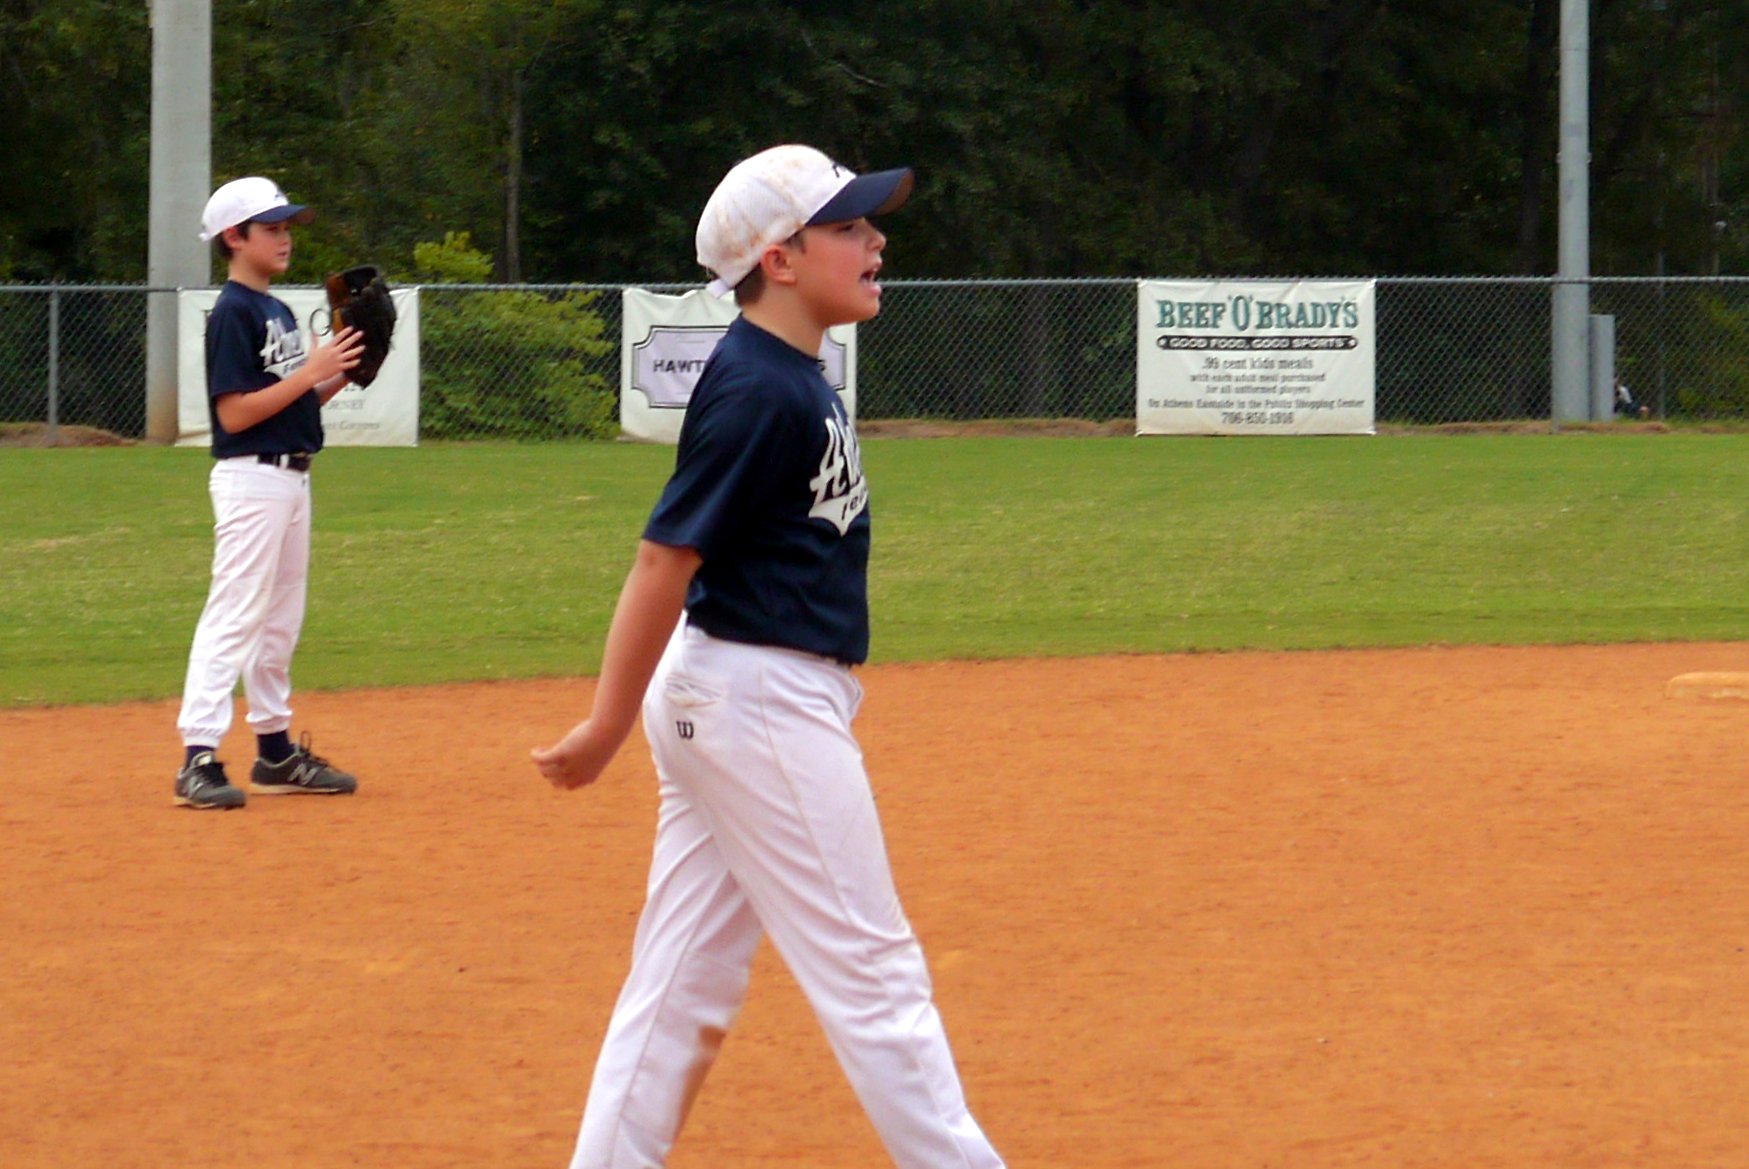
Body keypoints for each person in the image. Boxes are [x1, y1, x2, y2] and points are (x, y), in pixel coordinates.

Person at [532, 145, 1006, 1169]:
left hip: (742, 690)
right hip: (758, 698)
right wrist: (607, 724)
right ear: (781, 261)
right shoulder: (757, 387)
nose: (877, 240)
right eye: (849, 226)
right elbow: (664, 557)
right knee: (874, 973)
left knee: (680, 986)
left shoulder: (796, 373)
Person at [172, 176, 365, 809]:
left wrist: (338, 376)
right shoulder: (233, 312)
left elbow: (292, 407)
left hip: (291, 475)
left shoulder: (278, 310)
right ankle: (198, 757)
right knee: (235, 615)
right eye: (271, 227)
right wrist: (309, 370)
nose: (284, 237)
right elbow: (234, 414)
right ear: (235, 237)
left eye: (287, 227)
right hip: (251, 477)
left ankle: (275, 751)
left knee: (279, 622)